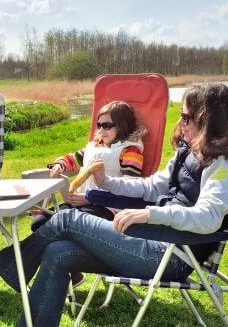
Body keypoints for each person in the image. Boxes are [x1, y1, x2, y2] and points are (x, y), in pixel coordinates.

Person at [0, 83, 228, 327]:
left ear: (209, 120)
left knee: (67, 219)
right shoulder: (188, 154)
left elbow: (207, 218)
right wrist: (107, 182)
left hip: (169, 256)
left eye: (187, 117)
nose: (181, 123)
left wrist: (151, 214)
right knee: (57, 252)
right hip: (150, 241)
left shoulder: (227, 166)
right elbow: (152, 187)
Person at [33, 101, 146, 286]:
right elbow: (73, 159)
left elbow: (129, 189)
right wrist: (60, 164)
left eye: (107, 125)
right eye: (99, 125)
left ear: (122, 125)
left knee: (61, 226)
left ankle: (57, 267)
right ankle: (74, 274)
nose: (101, 130)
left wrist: (90, 198)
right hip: (79, 204)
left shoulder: (130, 150)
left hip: (108, 209)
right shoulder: (95, 146)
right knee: (39, 222)